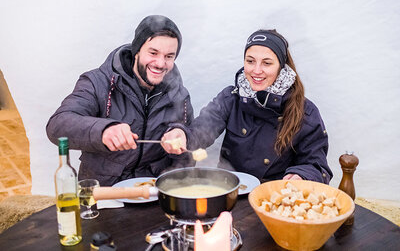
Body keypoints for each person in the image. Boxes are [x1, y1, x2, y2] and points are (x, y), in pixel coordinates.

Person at [162, 29, 333, 183]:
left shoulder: (305, 112)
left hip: (272, 199)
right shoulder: (231, 98)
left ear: (281, 67)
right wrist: (182, 134)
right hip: (229, 190)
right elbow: (200, 131)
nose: (256, 70)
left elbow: (317, 166)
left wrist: (301, 175)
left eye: (267, 63)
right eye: (250, 61)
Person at [46, 15, 194, 186]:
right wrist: (104, 130)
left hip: (153, 194)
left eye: (169, 56)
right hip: (104, 193)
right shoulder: (97, 82)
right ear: (137, 51)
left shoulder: (180, 96)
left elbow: (188, 153)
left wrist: (182, 136)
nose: (160, 63)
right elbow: (57, 126)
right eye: (153, 53)